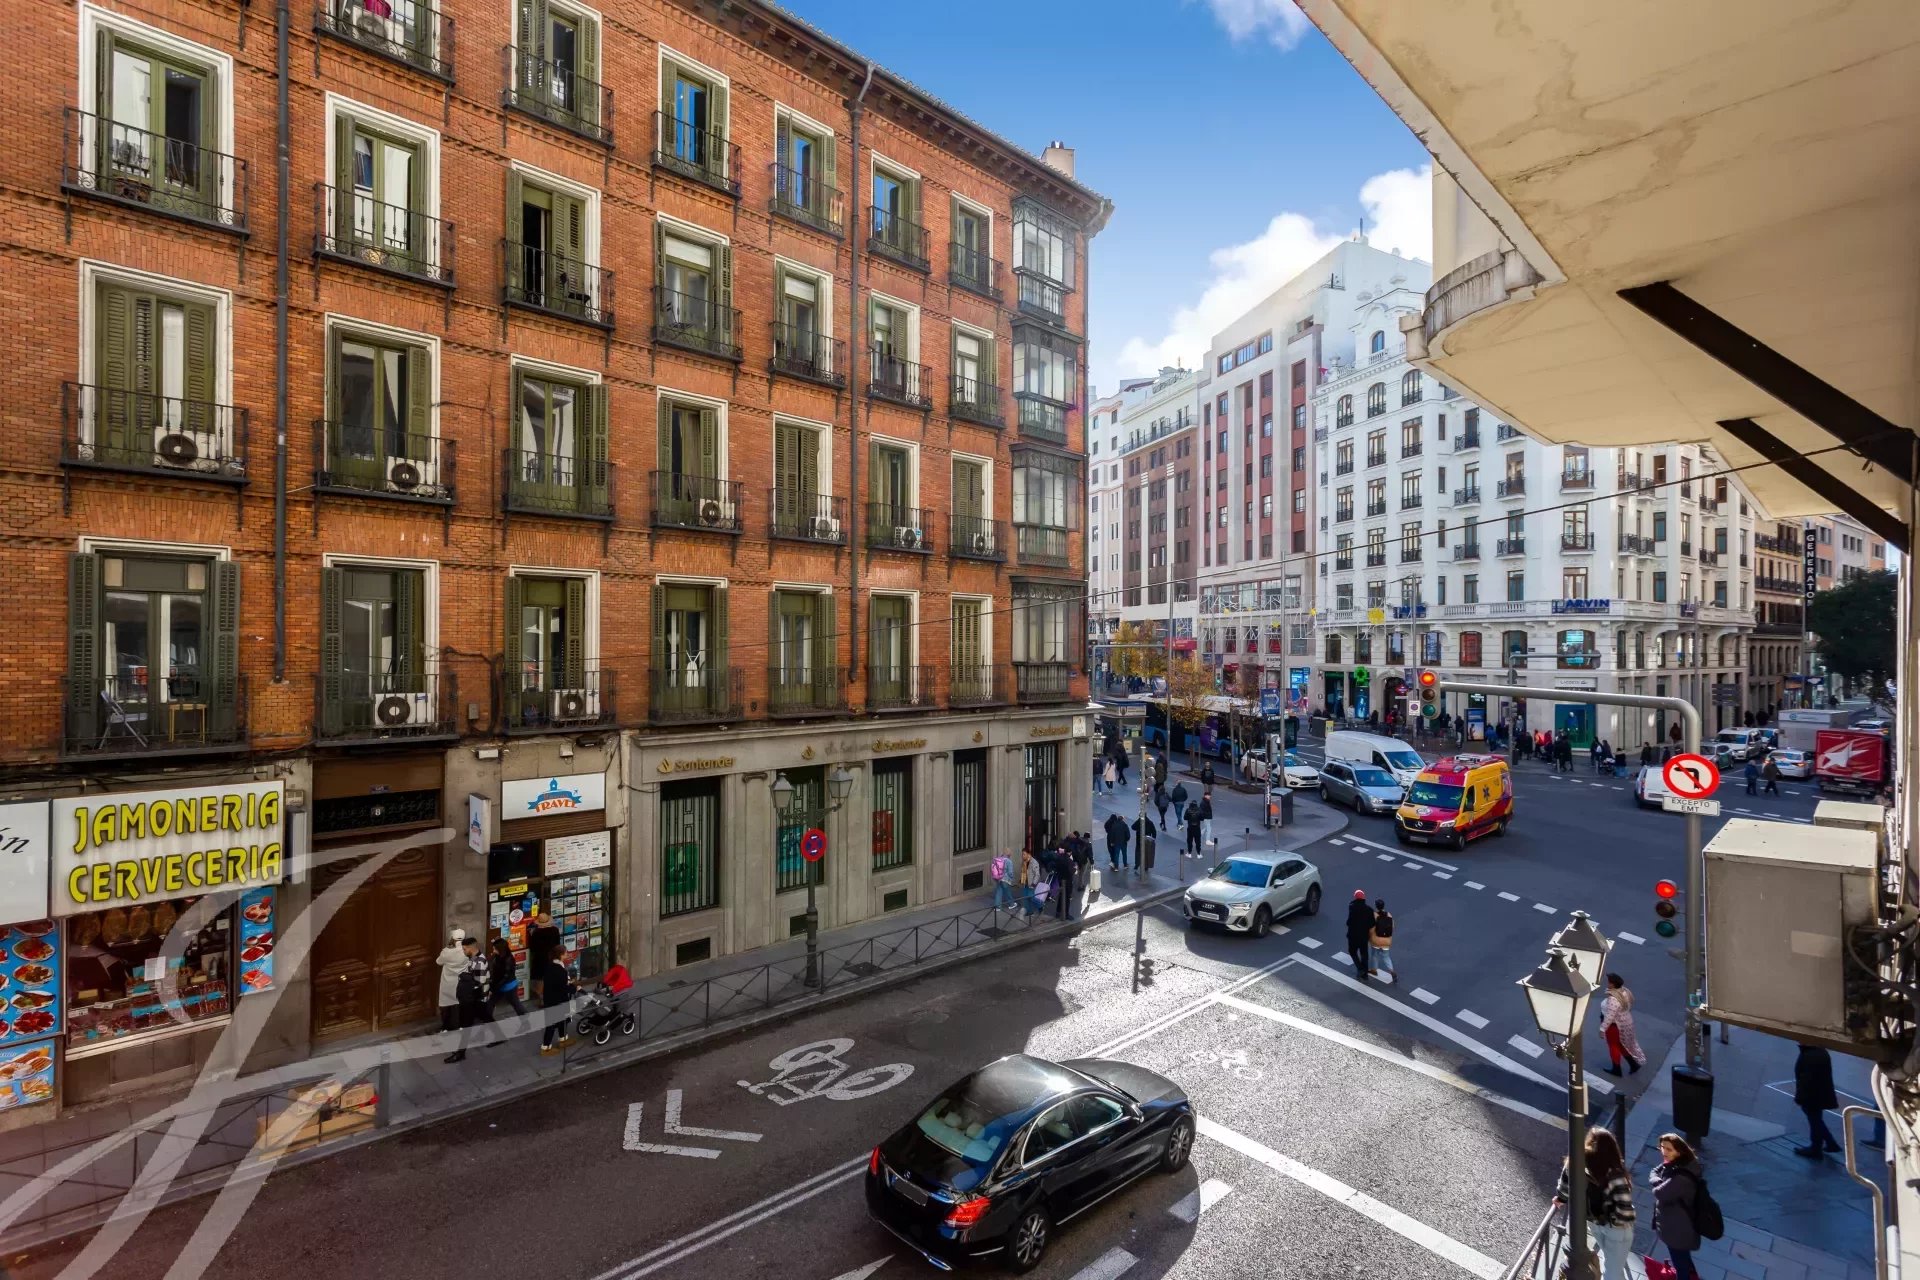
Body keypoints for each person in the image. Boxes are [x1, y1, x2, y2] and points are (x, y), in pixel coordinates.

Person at [1555, 1127, 1637, 1280]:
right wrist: (1619, 1224)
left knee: (1612, 1264)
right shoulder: (1614, 1173)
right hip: (1616, 1229)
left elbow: (1565, 1187)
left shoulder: (1575, 1161)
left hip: (1593, 1222)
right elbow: (1624, 1210)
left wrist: (1561, 1198)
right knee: (1612, 1271)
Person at [1650, 1133, 1704, 1280]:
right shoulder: (1680, 1163)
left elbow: (1659, 1192)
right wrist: (1658, 1179)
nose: (1664, 1152)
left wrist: (1656, 1181)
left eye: (1669, 1149)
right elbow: (1655, 1170)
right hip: (1679, 1223)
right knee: (1683, 1259)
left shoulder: (1681, 1177)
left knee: (1680, 1265)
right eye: (1662, 1147)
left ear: (1679, 1151)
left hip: (1678, 1229)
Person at [446, 933, 492, 1063]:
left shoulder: (479, 962)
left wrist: (465, 983)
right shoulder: (474, 959)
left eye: (464, 949)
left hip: (476, 998)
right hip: (476, 997)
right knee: (485, 1017)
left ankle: (461, 1053)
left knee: (466, 1024)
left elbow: (478, 983)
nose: (463, 951)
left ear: (471, 948)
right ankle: (500, 1037)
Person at [1793, 1043, 1842, 1158]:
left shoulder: (1811, 1055)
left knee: (1814, 1120)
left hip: (1812, 1095)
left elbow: (1807, 1079)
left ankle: (1816, 1148)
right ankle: (1830, 1143)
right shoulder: (1817, 1051)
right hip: (1817, 1094)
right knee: (1815, 1119)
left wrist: (1801, 1096)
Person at [1599, 973, 1646, 1075]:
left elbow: (1610, 1016)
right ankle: (1633, 1064)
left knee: (1613, 1046)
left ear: (1613, 984)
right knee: (1621, 1045)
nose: (1607, 983)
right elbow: (1631, 1001)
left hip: (1615, 1026)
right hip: (1626, 1022)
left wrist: (1602, 1029)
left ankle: (1616, 1069)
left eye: (1609, 982)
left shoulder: (1613, 999)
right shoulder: (1624, 991)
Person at [536, 942, 573, 1054]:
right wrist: (574, 988)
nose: (567, 954)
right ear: (561, 955)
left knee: (562, 1020)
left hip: (550, 998)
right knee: (552, 1024)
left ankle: (563, 1038)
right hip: (557, 1000)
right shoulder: (560, 970)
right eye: (566, 953)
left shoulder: (551, 965)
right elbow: (562, 987)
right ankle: (546, 1047)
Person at [435, 928, 468, 1038]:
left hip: (447, 982)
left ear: (452, 939)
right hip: (461, 982)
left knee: (446, 1005)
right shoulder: (466, 951)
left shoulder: (447, 952)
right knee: (459, 1004)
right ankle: (460, 1025)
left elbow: (438, 962)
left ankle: (445, 1027)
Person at [487, 936, 527, 1024]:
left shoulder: (508, 960)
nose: (494, 951)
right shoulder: (499, 956)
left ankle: (525, 1022)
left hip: (507, 986)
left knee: (515, 1004)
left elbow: (505, 976)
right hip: (502, 985)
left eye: (495, 949)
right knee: (491, 1003)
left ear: (501, 949)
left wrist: (494, 988)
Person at [1345, 890, 1375, 980]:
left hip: (1353, 936)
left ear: (1355, 897)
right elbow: (1372, 923)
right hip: (1364, 936)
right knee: (1364, 954)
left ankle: (1360, 968)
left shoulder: (1352, 907)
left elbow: (1349, 922)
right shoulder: (1369, 910)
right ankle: (1365, 974)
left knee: (1352, 951)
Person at [1367, 899, 1396, 982]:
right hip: (1386, 941)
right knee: (1386, 957)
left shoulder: (1374, 915)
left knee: (1374, 955)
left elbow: (1371, 928)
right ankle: (1392, 971)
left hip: (1376, 940)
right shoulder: (1389, 915)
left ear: (1376, 906)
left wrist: (1369, 937)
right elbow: (1392, 927)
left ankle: (1374, 970)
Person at [1051, 841, 1077, 921]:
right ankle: (1066, 914)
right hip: (1067, 881)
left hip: (1060, 879)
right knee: (1067, 897)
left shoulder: (1059, 858)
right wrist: (1075, 868)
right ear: (1069, 852)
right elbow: (1071, 871)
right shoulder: (1069, 861)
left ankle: (1058, 912)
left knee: (1061, 896)